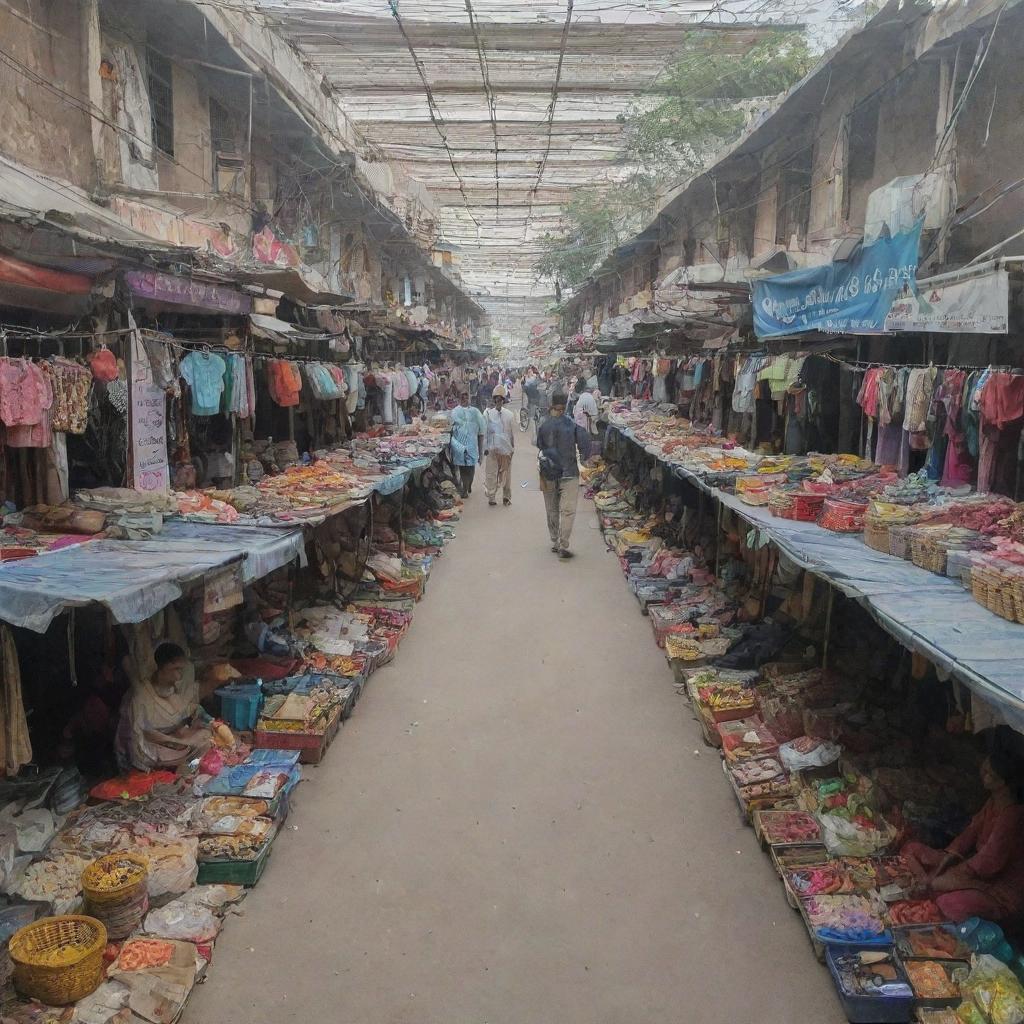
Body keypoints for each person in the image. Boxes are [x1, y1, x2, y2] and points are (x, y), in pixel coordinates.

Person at [902, 749, 1024, 923]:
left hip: (998, 888)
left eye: (988, 773)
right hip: (974, 872)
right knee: (911, 849)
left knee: (947, 903)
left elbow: (988, 863)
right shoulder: (992, 803)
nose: (982, 775)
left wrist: (945, 878)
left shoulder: (1011, 815)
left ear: (1002, 782)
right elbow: (968, 835)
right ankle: (924, 885)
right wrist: (945, 860)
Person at [115, 642, 215, 771]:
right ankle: (182, 768)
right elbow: (145, 734)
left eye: (181, 669)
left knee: (206, 736)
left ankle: (189, 767)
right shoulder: (142, 695)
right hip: (151, 746)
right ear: (161, 667)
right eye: (175, 669)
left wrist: (205, 720)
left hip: (174, 739)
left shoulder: (174, 688)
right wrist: (180, 743)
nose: (179, 675)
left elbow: (189, 710)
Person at [536, 392, 591, 559]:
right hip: (569, 472)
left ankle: (554, 540)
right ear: (565, 406)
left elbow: (539, 445)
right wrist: (584, 457)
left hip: (548, 472)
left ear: (550, 406)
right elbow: (585, 442)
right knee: (567, 511)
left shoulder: (543, 425)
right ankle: (563, 544)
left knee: (551, 508)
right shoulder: (572, 424)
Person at [449, 390, 486, 497]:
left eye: (466, 396)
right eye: (462, 396)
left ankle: (468, 485)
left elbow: (481, 430)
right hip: (459, 445)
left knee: (471, 467)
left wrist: (481, 451)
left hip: (472, 445)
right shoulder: (455, 412)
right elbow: (451, 426)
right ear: (459, 398)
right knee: (462, 468)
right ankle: (465, 489)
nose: (465, 399)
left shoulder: (475, 412)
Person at [484, 385, 515, 507]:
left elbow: (512, 434)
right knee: (491, 474)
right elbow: (485, 433)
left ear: (503, 400)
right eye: (496, 399)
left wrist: (513, 448)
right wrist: (485, 448)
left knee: (506, 475)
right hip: (492, 450)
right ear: (493, 400)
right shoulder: (488, 414)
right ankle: (491, 497)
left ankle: (506, 497)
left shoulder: (509, 415)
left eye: (500, 399)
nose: (498, 401)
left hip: (506, 451)